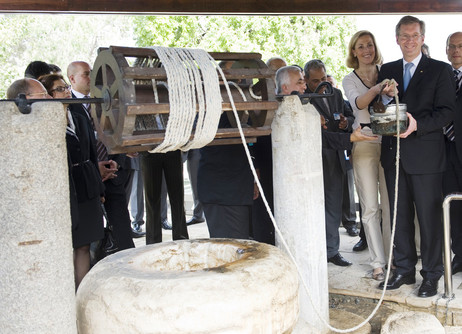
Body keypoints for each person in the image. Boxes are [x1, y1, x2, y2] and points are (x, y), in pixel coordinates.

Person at [377, 16, 455, 297]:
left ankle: (432, 275)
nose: (409, 40)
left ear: (422, 38)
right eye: (404, 36)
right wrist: (383, 98)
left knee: (430, 218)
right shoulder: (386, 69)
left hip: (427, 157)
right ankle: (404, 270)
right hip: (393, 156)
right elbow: (379, 106)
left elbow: (447, 111)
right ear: (396, 39)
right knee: (399, 217)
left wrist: (417, 125)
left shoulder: (439, 69)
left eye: (415, 35)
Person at [38, 74, 105, 290]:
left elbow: (93, 152)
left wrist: (99, 186)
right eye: (59, 89)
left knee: (84, 244)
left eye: (66, 87)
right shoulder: (44, 121)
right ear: (48, 95)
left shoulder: (78, 112)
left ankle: (81, 292)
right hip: (66, 187)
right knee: (67, 245)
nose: (66, 91)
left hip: (86, 184)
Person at [67, 61, 137, 250]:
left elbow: (114, 131)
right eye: (86, 74)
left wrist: (119, 156)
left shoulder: (105, 102)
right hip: (87, 179)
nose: (91, 79)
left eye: (92, 74)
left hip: (113, 171)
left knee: (122, 224)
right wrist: (94, 168)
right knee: (90, 234)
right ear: (72, 78)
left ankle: (128, 263)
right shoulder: (66, 106)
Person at [343, 30, 392, 281]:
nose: (366, 50)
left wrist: (391, 90)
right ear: (354, 51)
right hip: (364, 143)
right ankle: (377, 263)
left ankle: (393, 257)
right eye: (360, 46)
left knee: (389, 205)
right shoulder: (348, 79)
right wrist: (377, 88)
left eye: (370, 45)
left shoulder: (388, 71)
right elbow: (359, 103)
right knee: (370, 206)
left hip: (389, 141)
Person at [304, 59, 355, 267]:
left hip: (334, 157)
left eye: (324, 78)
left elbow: (349, 116)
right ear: (306, 80)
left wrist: (346, 123)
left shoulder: (336, 94)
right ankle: (312, 251)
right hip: (311, 161)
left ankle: (332, 251)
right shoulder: (302, 98)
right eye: (316, 80)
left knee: (334, 206)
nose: (321, 83)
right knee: (313, 208)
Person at [327, 74, 359, 237]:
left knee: (347, 189)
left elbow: (354, 118)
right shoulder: (309, 99)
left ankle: (350, 222)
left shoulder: (340, 100)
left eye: (329, 83)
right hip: (323, 155)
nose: (325, 86)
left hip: (342, 153)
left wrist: (346, 123)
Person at [444, 31, 462, 275]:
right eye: (452, 46)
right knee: (453, 205)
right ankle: (459, 255)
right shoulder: (442, 75)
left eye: (460, 46)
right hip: (446, 151)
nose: (456, 50)